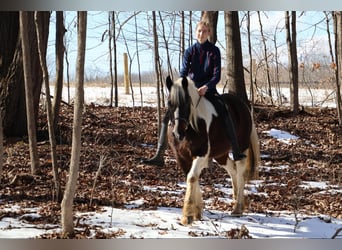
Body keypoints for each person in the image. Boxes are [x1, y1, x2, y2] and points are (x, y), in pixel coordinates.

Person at [142, 20, 246, 167]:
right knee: (168, 115)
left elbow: (216, 76)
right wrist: (180, 88)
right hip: (190, 90)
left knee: (224, 111)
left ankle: (235, 149)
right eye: (199, 31)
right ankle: (159, 154)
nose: (201, 34)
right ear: (195, 32)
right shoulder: (190, 51)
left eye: (204, 31)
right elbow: (184, 73)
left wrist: (206, 87)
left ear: (209, 33)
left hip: (208, 91)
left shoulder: (214, 51)